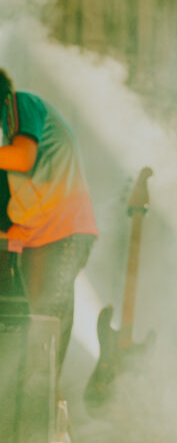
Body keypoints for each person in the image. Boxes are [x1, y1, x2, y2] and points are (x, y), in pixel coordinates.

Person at [0, 69, 98, 382]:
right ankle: (36, 399)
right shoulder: (9, 127)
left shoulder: (19, 103)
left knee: (44, 325)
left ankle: (43, 401)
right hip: (45, 234)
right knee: (35, 325)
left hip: (61, 231)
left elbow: (22, 158)